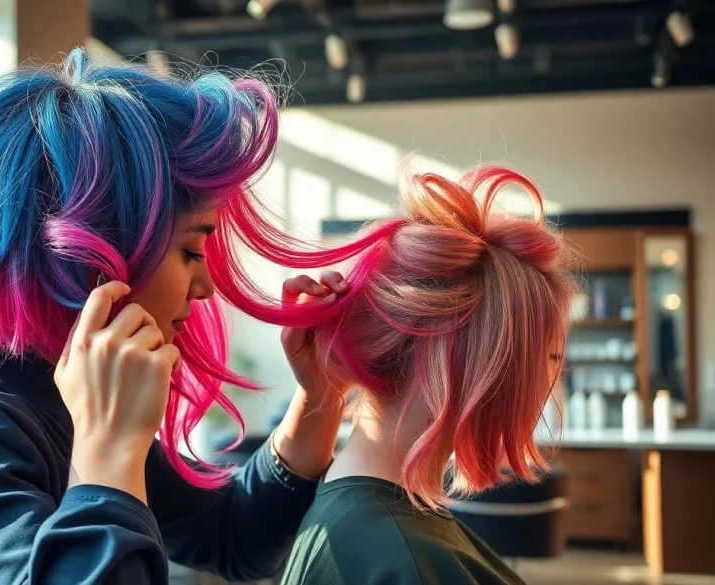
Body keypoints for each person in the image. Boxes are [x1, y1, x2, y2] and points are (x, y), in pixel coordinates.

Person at [0, 49, 346, 584]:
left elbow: (233, 539)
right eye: (190, 251)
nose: (206, 287)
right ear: (88, 257)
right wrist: (109, 453)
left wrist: (320, 393)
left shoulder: (56, 392)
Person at [215, 164, 578, 585]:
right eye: (550, 357)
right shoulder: (405, 560)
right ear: (483, 367)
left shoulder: (371, 524)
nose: (551, 378)